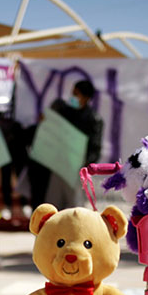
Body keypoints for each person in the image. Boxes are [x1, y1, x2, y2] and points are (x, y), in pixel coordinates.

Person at [44, 79, 104, 208]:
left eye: (76, 94)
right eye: (73, 93)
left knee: (75, 208)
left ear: (86, 97)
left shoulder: (93, 119)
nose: (73, 97)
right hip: (59, 167)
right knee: (53, 207)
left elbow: (95, 149)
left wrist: (83, 166)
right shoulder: (66, 112)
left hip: (76, 172)